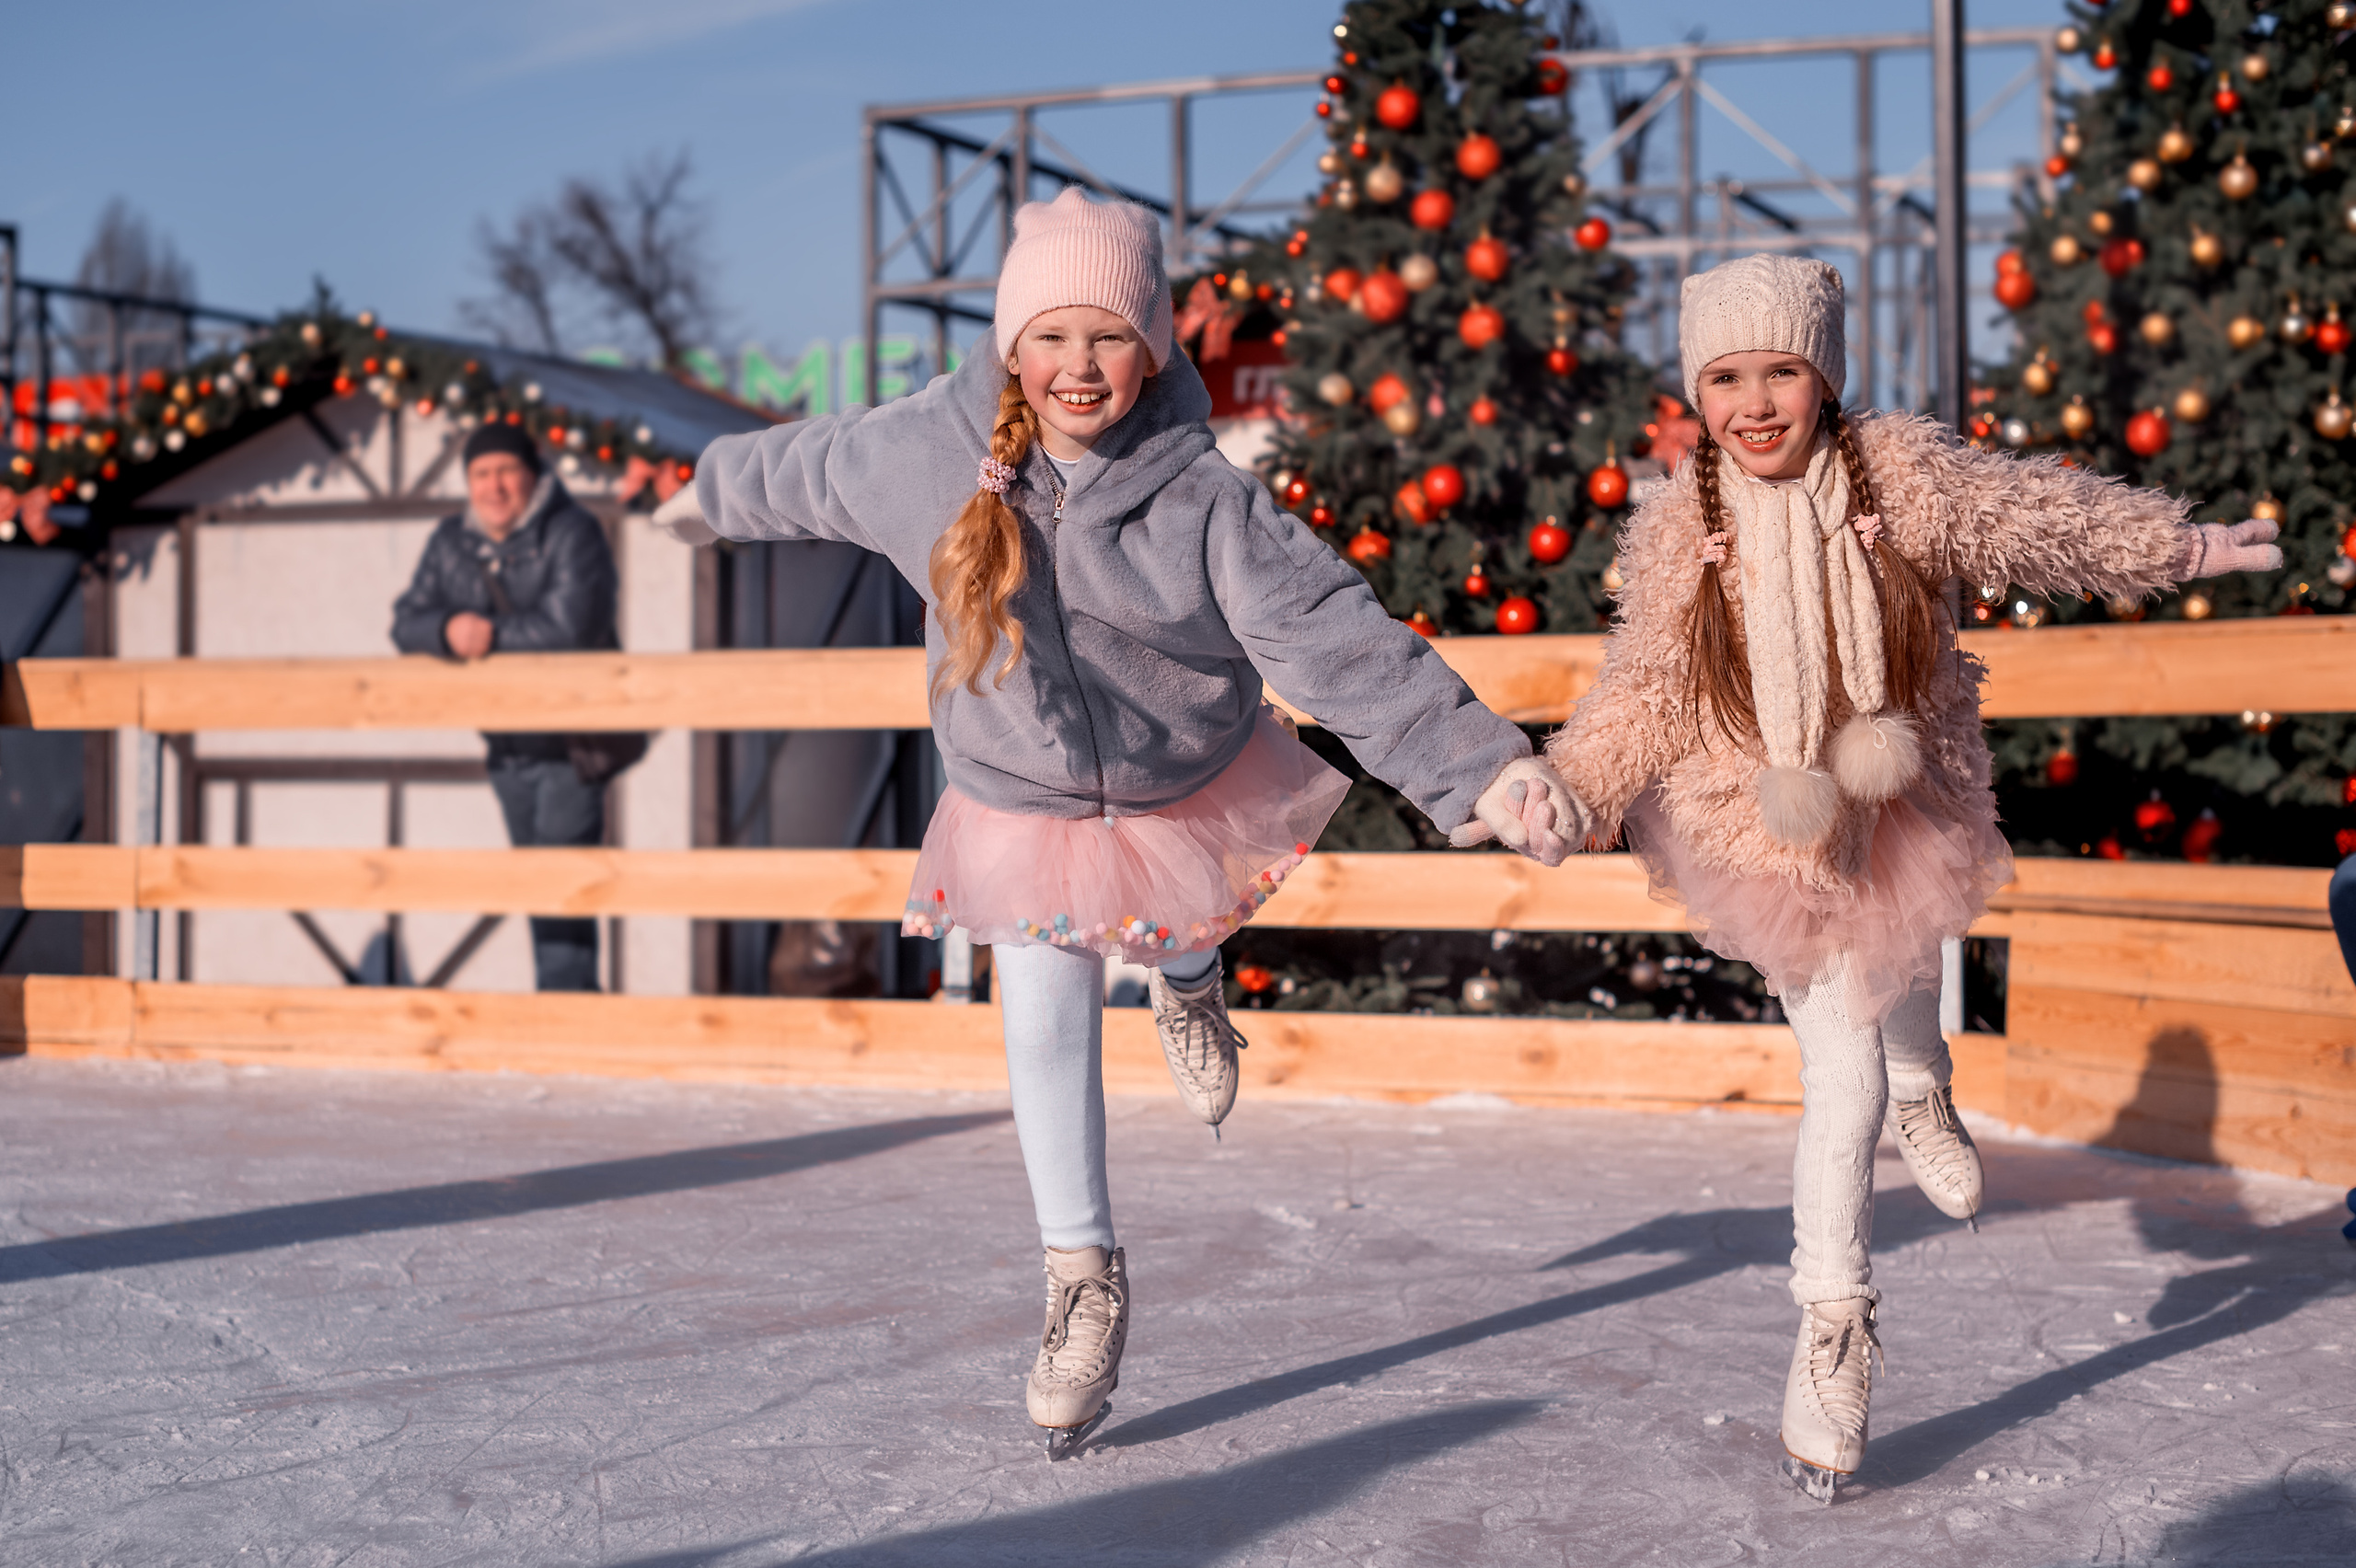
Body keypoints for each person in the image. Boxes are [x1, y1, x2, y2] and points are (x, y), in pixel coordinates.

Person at [653, 188, 1582, 1456]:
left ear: (1152, 347)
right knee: (1039, 1005)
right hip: (1019, 793)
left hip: (1175, 777)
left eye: (1107, 338)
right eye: (1051, 336)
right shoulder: (925, 452)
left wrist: (1481, 769)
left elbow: (1333, 638)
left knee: (1176, 923)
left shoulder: (1203, 497)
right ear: (1009, 343)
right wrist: (705, 492)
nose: (1077, 368)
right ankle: (1081, 1272)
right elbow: (798, 468)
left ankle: (1192, 983)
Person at [1544, 253, 2281, 1500]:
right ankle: (1833, 1320)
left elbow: (2047, 522)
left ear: (1825, 373)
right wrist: (1571, 785)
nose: (1756, 401)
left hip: (1902, 792)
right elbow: (1645, 692)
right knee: (1837, 1077)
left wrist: (2186, 549)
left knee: (1910, 986)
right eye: (1726, 376)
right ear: (1696, 390)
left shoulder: (1902, 476)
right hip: (1769, 829)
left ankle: (1928, 1084)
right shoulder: (1686, 527)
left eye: (1780, 368)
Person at [392, 423, 624, 992]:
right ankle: (562, 1015)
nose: (494, 487)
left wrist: (487, 634)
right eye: (480, 474)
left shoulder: (574, 532)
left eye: (506, 471)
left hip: (573, 742)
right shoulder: (452, 541)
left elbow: (570, 628)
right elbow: (405, 620)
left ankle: (566, 1022)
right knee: (537, 887)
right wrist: (446, 629)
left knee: (557, 890)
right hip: (505, 743)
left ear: (533, 474)